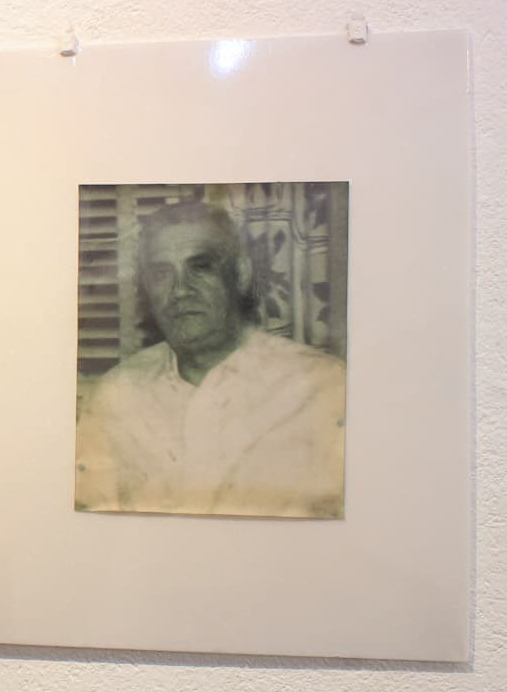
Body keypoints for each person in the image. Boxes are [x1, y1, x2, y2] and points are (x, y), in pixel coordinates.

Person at [74, 201, 345, 519]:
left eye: (200, 267)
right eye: (162, 273)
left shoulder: (323, 388)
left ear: (240, 275)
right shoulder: (117, 394)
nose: (180, 291)